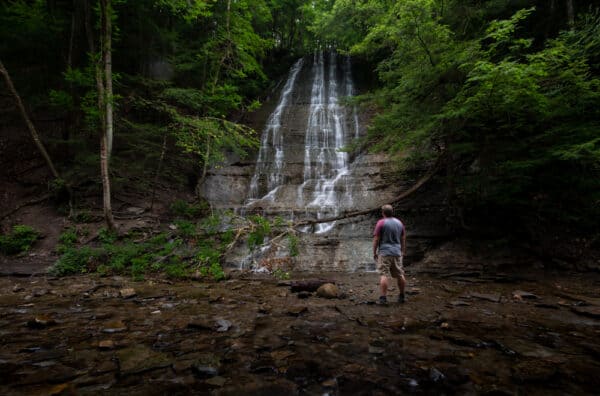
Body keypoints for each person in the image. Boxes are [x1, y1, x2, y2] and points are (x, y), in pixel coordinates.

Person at [373, 204, 406, 304]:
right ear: (392, 212)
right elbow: (403, 238)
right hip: (397, 252)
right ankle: (402, 296)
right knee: (400, 274)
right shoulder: (399, 223)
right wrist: (402, 251)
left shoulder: (381, 223)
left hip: (385, 252)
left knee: (384, 275)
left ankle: (383, 298)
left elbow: (376, 239)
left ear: (383, 213)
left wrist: (374, 252)